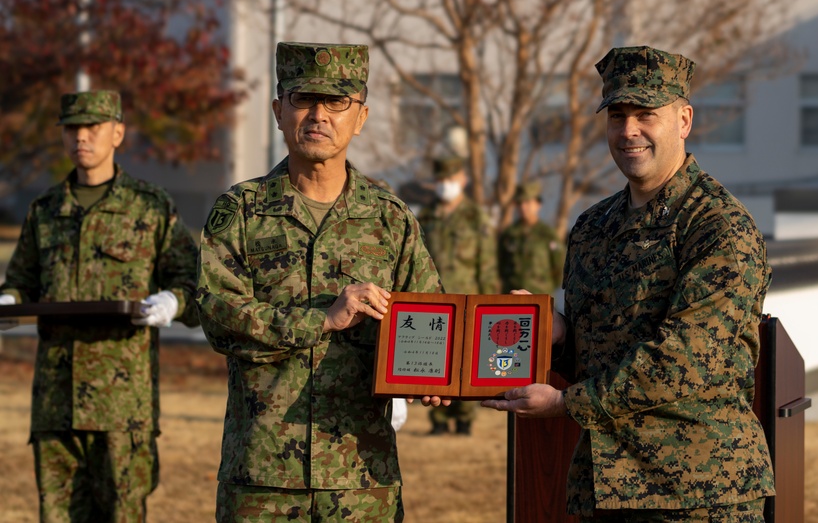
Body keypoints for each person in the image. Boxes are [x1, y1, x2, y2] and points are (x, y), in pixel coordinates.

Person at [483, 46, 775, 522]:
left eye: (646, 114)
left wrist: (564, 404)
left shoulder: (719, 227)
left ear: (683, 120)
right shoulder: (593, 226)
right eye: (617, 115)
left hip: (697, 494)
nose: (628, 131)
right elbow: (599, 352)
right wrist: (555, 337)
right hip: (607, 488)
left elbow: (685, 356)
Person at [197, 42, 444, 522]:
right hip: (265, 477)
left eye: (337, 102)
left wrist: (432, 376)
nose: (318, 116)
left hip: (361, 474)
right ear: (277, 111)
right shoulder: (241, 212)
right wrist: (321, 321)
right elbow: (216, 316)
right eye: (303, 99)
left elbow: (428, 313)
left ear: (362, 116)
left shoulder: (388, 216)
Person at [0, 90, 200, 522]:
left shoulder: (149, 205)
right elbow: (20, 282)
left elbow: (193, 283)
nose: (82, 138)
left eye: (93, 127)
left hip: (122, 404)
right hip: (56, 400)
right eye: (72, 129)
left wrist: (174, 301)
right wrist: (7, 303)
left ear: (119, 132)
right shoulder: (46, 210)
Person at [418, 155, 499, 435]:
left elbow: (487, 265)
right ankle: (438, 422)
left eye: (450, 180)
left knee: (465, 361)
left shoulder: (476, 217)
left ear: (463, 180)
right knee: (434, 362)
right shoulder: (425, 217)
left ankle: (465, 419)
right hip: (433, 303)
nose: (445, 186)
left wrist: (489, 305)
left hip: (468, 300)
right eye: (440, 181)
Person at [498, 180, 565, 295]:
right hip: (512, 296)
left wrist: (543, 286)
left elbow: (559, 268)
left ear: (538, 204)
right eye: (520, 203)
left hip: (539, 297)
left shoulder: (548, 234)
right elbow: (500, 266)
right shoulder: (509, 234)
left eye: (527, 202)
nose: (523, 207)